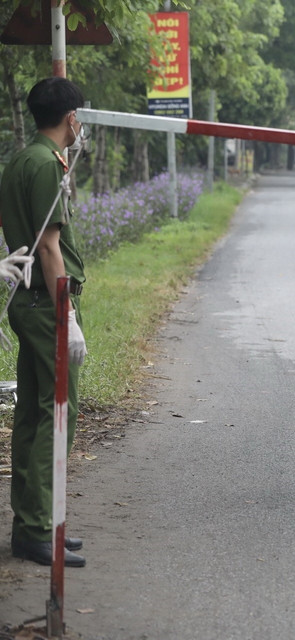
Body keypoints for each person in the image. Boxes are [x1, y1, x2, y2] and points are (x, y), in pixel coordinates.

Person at [0, 77, 89, 568]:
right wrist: (67, 318)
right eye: (81, 117)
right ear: (70, 118)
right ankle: (37, 530)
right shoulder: (43, 165)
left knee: (35, 415)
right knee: (57, 415)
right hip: (43, 304)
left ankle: (34, 523)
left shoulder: (22, 158)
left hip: (27, 301)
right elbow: (50, 246)